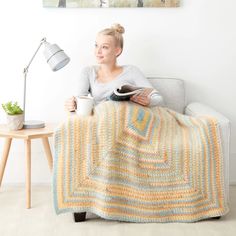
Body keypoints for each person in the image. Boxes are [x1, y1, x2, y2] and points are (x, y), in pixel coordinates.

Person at [65, 23, 164, 112]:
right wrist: (73, 104)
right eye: (96, 45)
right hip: (102, 121)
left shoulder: (132, 71)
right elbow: (79, 102)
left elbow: (158, 99)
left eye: (104, 47)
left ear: (117, 51)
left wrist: (149, 101)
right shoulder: (87, 72)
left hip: (127, 120)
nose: (98, 51)